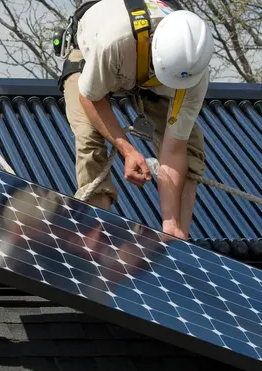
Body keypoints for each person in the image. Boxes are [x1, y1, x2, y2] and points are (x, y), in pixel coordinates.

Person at [57, 0, 214, 240]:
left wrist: (170, 222)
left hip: (147, 69)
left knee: (190, 142)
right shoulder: (114, 42)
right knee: (90, 139)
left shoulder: (193, 70)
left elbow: (174, 149)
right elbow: (90, 98)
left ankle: (176, 237)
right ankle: (92, 238)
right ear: (154, 47)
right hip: (94, 59)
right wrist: (127, 150)